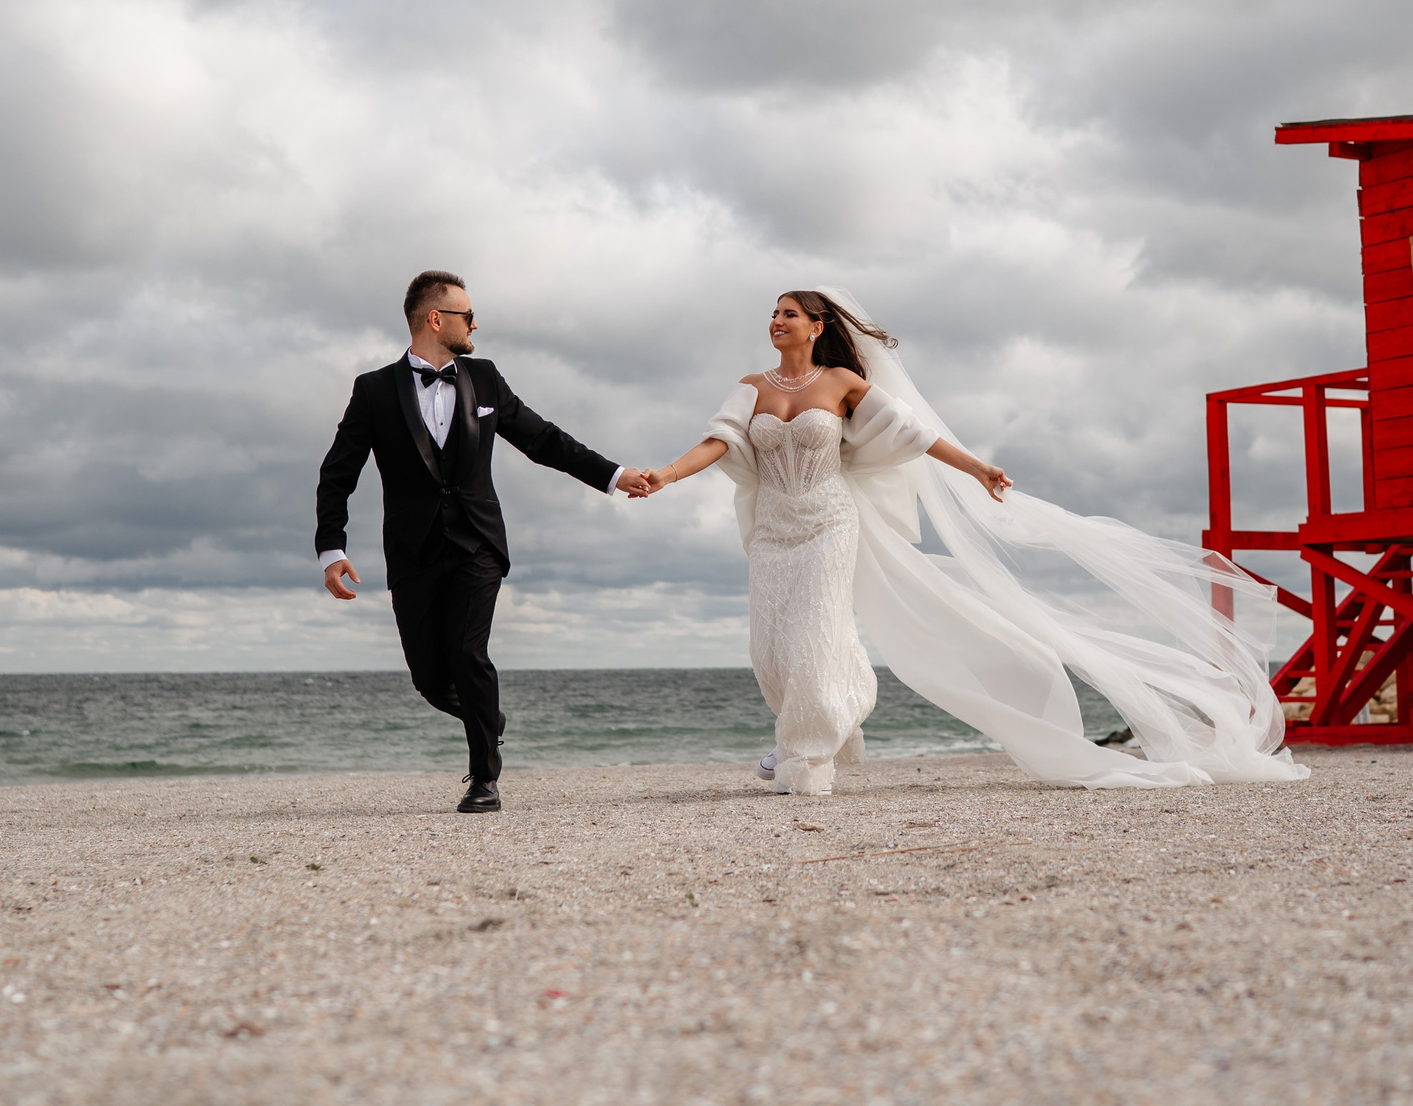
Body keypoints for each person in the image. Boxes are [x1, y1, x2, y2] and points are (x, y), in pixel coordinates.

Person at [639, 290, 1303, 794]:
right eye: (773, 313)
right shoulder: (752, 387)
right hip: (774, 531)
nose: (776, 320)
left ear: (817, 327)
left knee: (812, 636)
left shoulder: (842, 383)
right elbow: (719, 441)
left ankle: (804, 759)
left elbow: (915, 434)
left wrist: (977, 468)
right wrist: (665, 475)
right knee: (771, 649)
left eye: (789, 313)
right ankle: (838, 705)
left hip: (829, 523)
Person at [315, 271, 651, 814]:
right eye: (467, 316)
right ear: (435, 319)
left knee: (468, 653)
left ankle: (484, 780)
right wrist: (332, 548)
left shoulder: (485, 378)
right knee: (429, 677)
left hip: (478, 543)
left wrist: (612, 475)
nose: (475, 325)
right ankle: (487, 715)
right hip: (412, 551)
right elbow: (338, 471)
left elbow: (542, 439)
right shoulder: (374, 390)